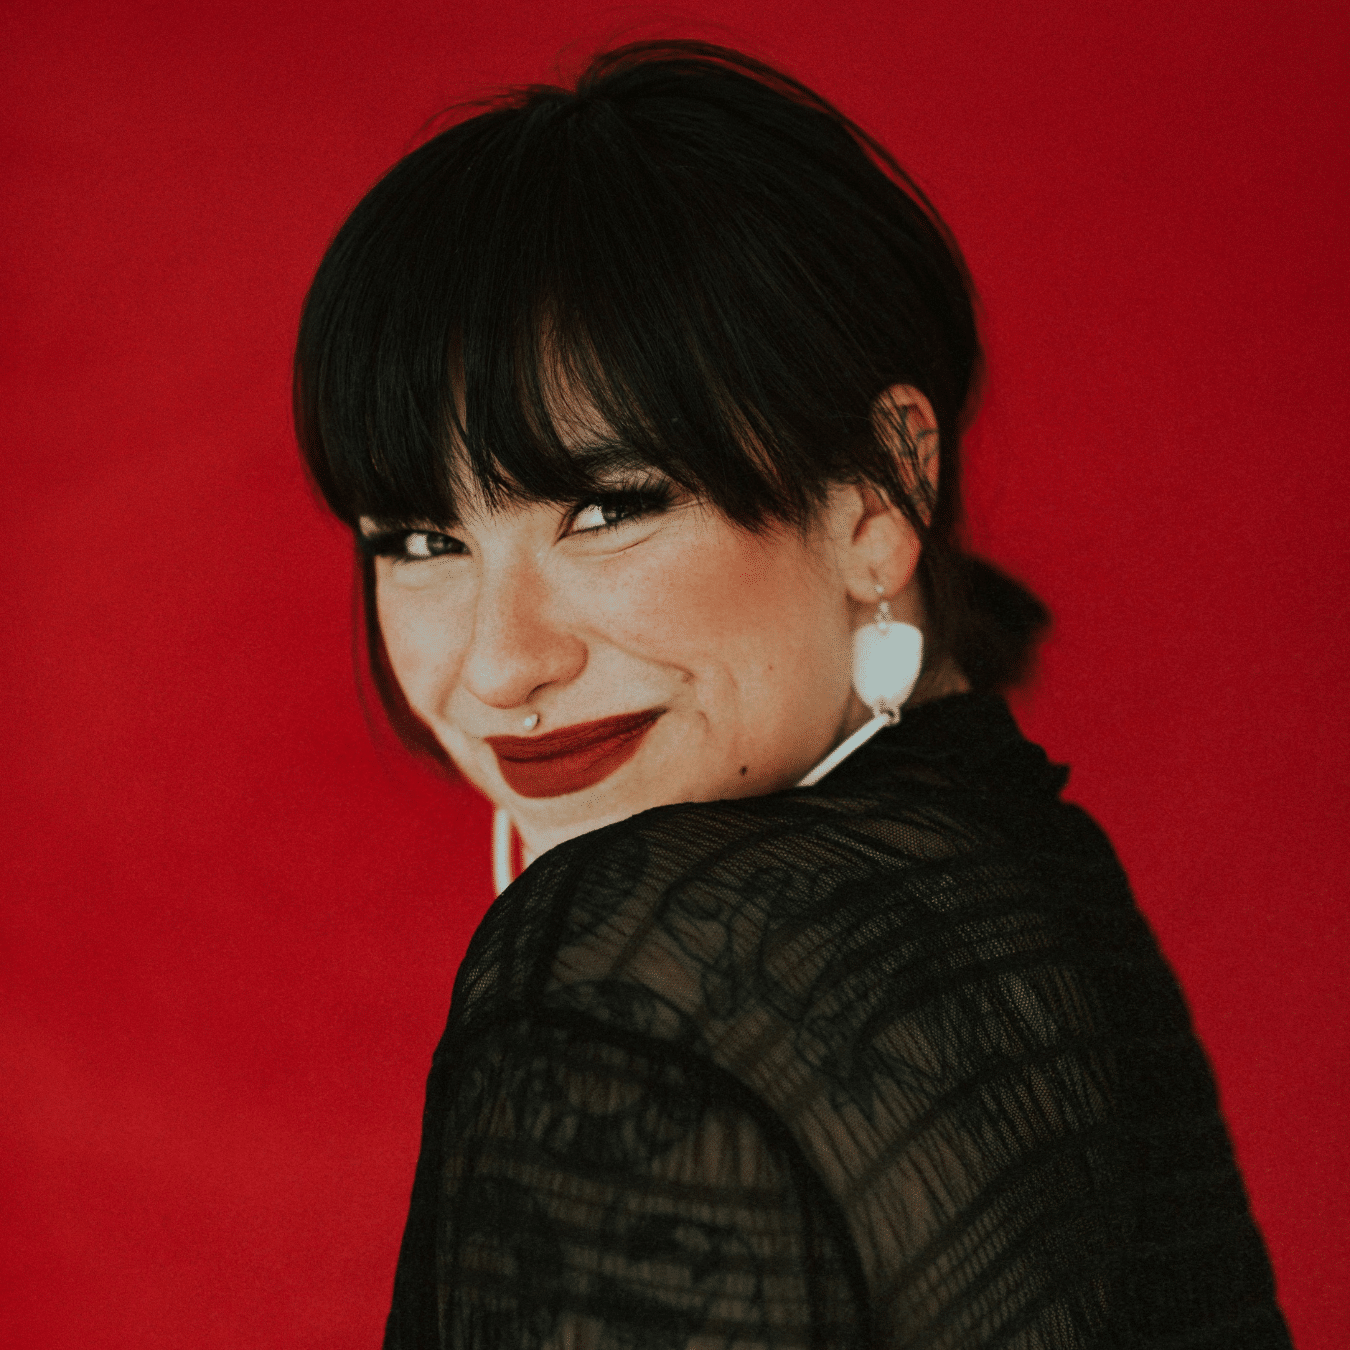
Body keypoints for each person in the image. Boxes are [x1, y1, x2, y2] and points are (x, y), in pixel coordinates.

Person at [293, 40, 1292, 1350]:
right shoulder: (1036, 879)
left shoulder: (620, 979)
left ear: (882, 486)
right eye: (420, 542)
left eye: (605, 508)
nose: (498, 663)